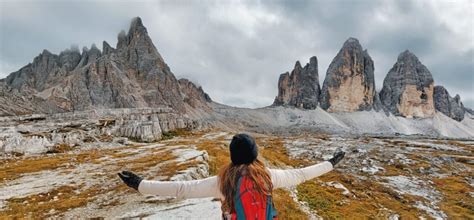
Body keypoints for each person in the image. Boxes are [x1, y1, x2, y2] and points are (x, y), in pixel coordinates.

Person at [119, 133, 345, 219]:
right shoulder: (268, 176)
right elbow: (302, 174)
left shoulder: (222, 182)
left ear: (233, 156)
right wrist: (331, 163)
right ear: (255, 155)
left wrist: (140, 184)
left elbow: (182, 189)